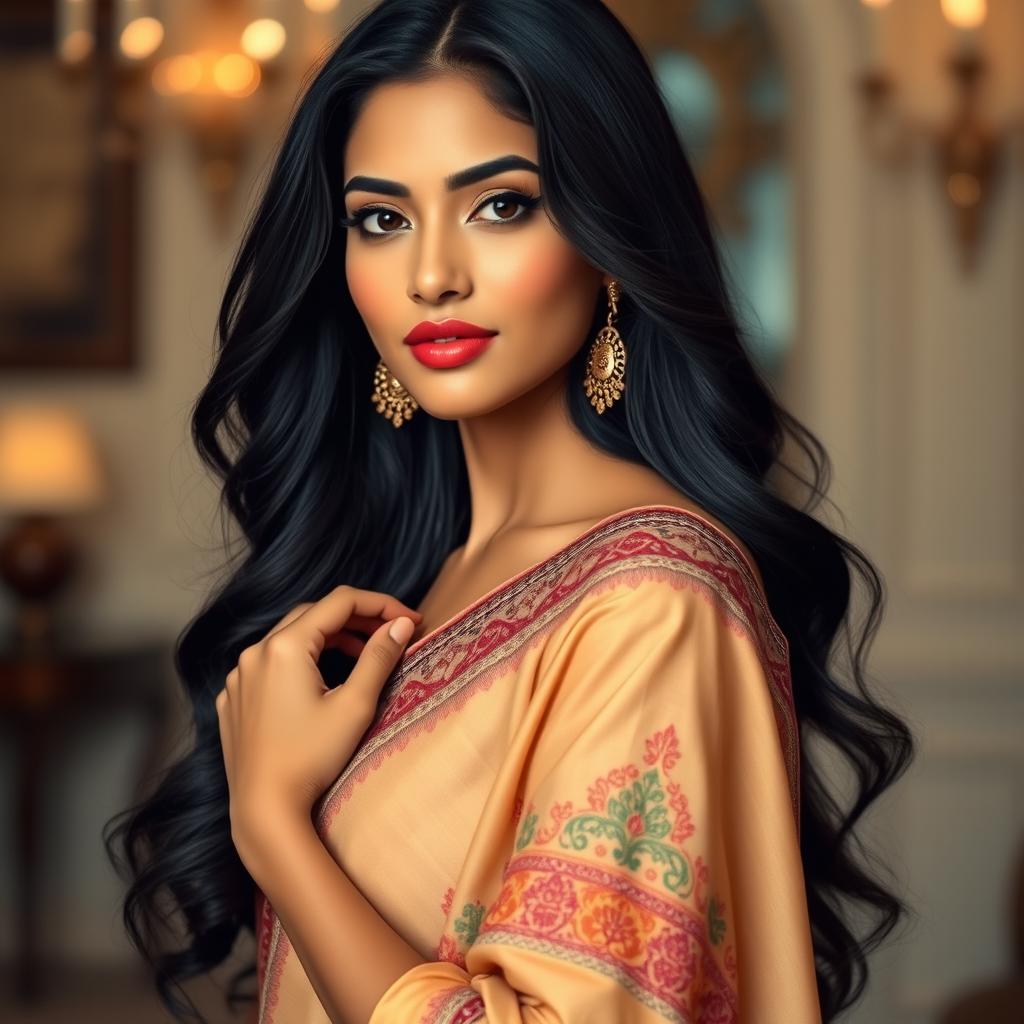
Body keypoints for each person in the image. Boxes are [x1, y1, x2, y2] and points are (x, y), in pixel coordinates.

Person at [104, 1, 915, 1022]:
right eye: (381, 219)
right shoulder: (421, 572)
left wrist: (274, 825)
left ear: (609, 235)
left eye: (500, 206)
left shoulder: (655, 604)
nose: (432, 275)